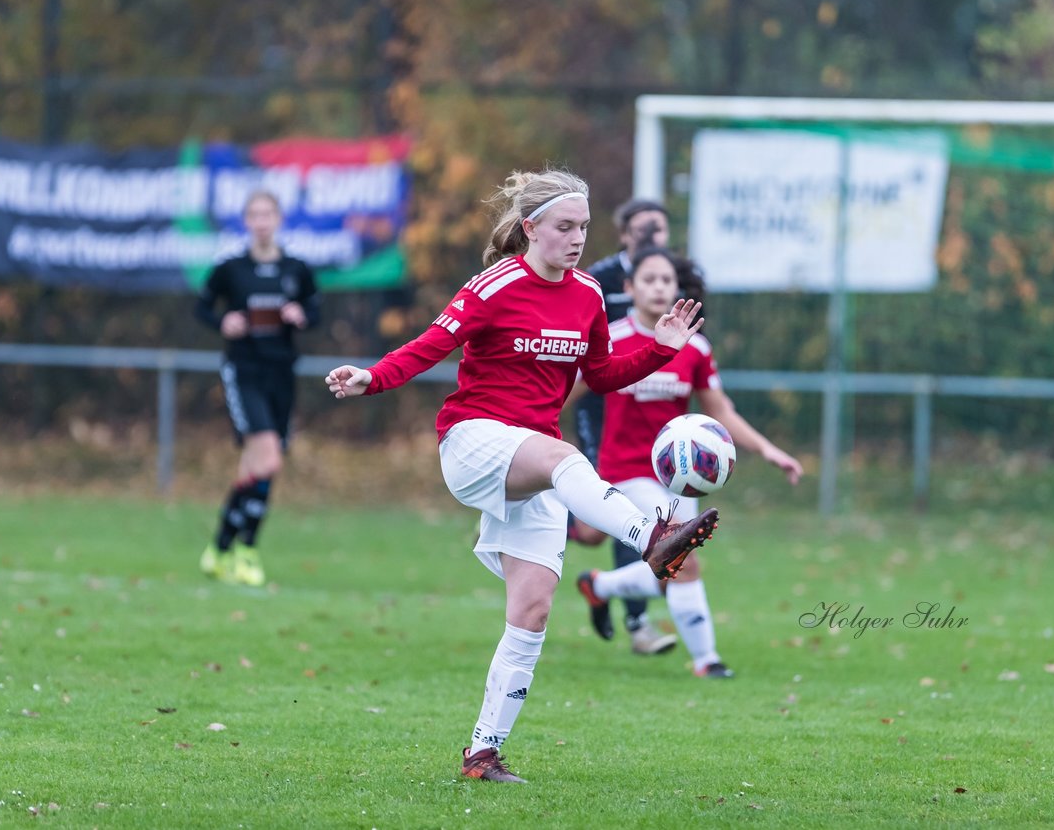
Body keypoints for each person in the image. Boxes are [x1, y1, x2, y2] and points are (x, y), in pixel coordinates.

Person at [324, 169, 720, 784]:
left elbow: (604, 374)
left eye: (585, 227)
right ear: (531, 228)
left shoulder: (588, 294)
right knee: (564, 461)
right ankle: (651, 539)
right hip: (474, 441)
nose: (577, 238)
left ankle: (482, 753)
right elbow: (430, 346)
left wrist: (662, 347)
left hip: (535, 459)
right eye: (565, 227)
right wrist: (370, 377)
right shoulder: (494, 285)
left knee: (533, 609)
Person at [573, 245, 803, 678]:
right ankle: (707, 660)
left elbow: (721, 410)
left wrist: (767, 449)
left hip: (683, 480)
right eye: (649, 279)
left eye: (666, 280)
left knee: (670, 569)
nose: (659, 287)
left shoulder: (693, 347)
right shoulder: (612, 340)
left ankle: (599, 586)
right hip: (625, 472)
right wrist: (527, 427)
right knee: (681, 562)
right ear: (629, 288)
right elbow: (570, 391)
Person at [194, 189, 321, 586]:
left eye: (268, 214)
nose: (262, 221)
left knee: (255, 467)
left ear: (278, 219)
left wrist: (301, 314)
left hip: (280, 373)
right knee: (268, 460)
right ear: (246, 221)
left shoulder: (296, 268)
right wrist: (223, 322)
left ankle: (218, 549)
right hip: (243, 371)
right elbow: (202, 306)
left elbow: (315, 308)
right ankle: (247, 550)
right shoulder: (231, 268)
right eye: (254, 214)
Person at [570, 198, 679, 656]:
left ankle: (632, 618)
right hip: (601, 404)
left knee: (610, 524)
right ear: (623, 235)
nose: (652, 236)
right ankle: (635, 620)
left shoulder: (676, 275)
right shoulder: (600, 277)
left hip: (649, 407)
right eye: (642, 229)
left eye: (659, 228)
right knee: (616, 518)